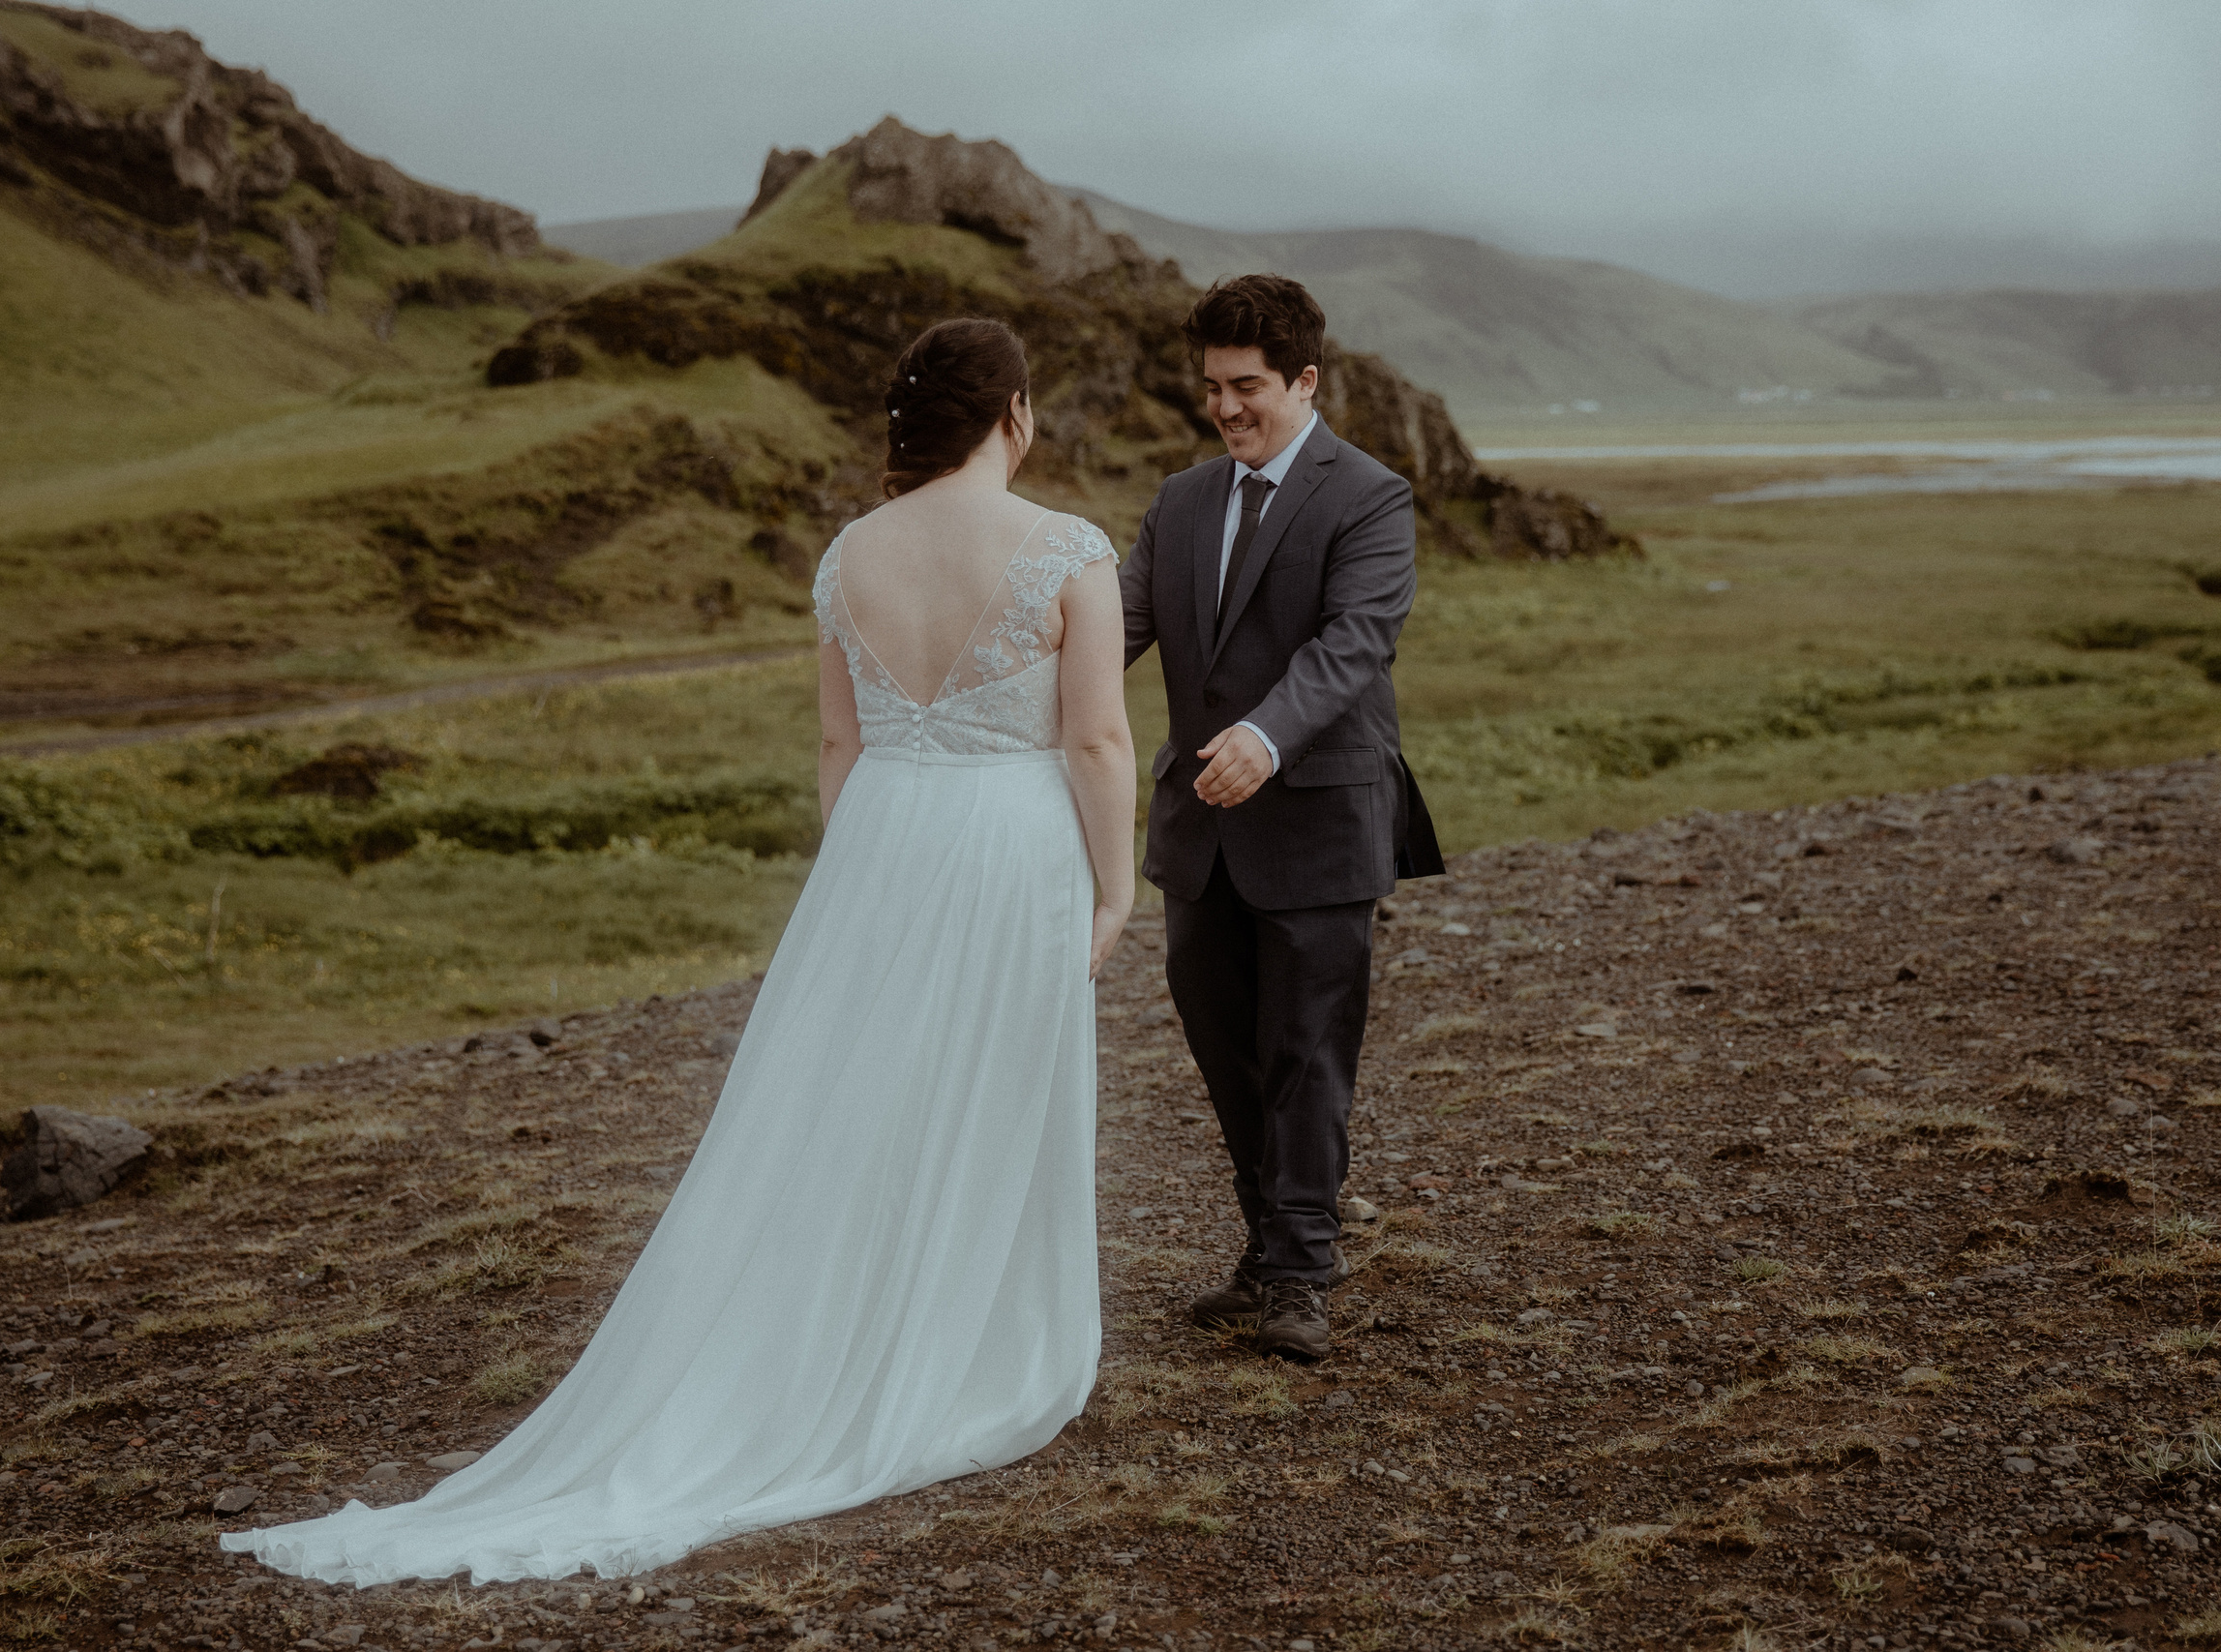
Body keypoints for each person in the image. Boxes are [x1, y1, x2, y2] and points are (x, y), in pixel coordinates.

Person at [220, 317, 1135, 1584]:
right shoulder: (1069, 548)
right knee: (990, 1086)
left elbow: (837, 748)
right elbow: (1095, 741)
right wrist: (1117, 882)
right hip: (1010, 844)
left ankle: (833, 1332)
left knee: (847, 1103)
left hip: (880, 842)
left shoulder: (845, 557)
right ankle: (967, 1349)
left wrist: (868, 866)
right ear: (1016, 416)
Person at [1120, 274, 1444, 1364]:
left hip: (1315, 820)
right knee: (1229, 1056)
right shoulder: (1178, 503)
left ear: (1306, 380)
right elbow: (1113, 630)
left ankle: (1302, 1272)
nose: (1225, 407)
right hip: (1198, 840)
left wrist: (1265, 735)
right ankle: (1267, 1246)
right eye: (1211, 386)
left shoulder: (1370, 497)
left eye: (1247, 386)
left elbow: (1354, 643)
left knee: (1306, 1054)